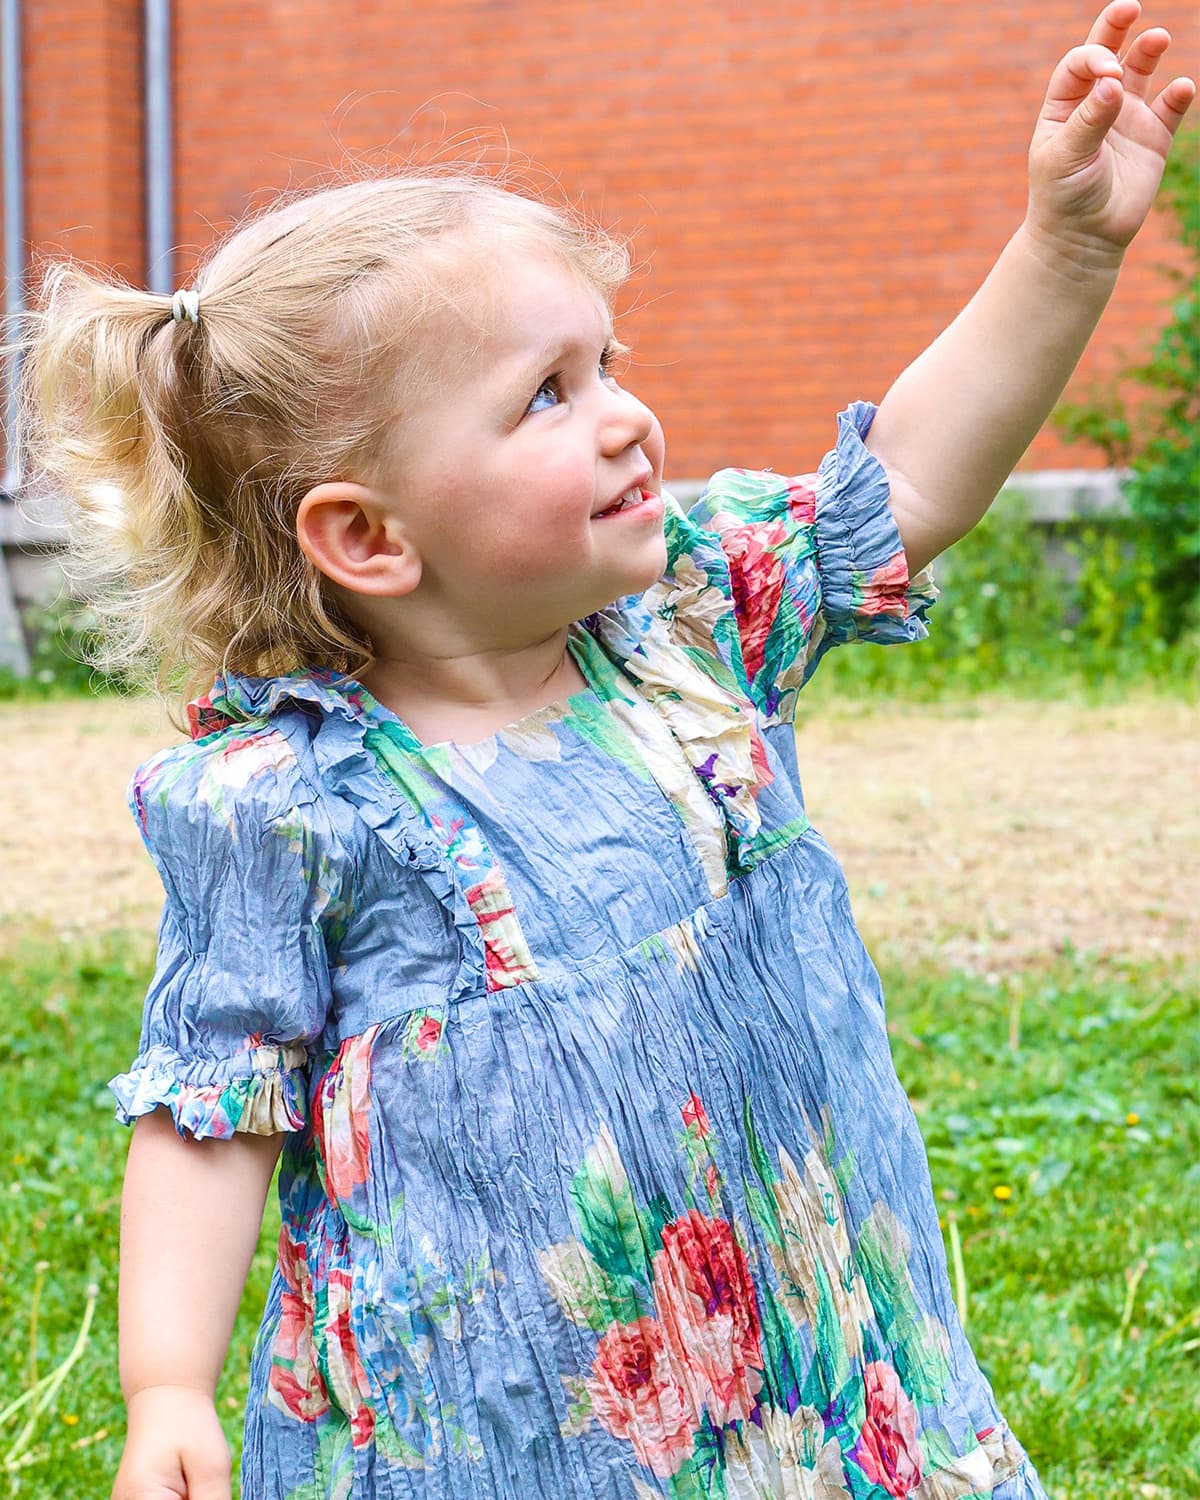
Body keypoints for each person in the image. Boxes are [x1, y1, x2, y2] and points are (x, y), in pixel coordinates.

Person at [17, 4, 1192, 1496]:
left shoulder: (693, 629)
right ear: (368, 535)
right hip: (501, 1420)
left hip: (812, 1366)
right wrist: (166, 1384)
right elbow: (211, 1105)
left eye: (607, 359)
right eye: (546, 396)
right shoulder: (290, 801)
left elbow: (898, 476)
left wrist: (1070, 250)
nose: (629, 418)